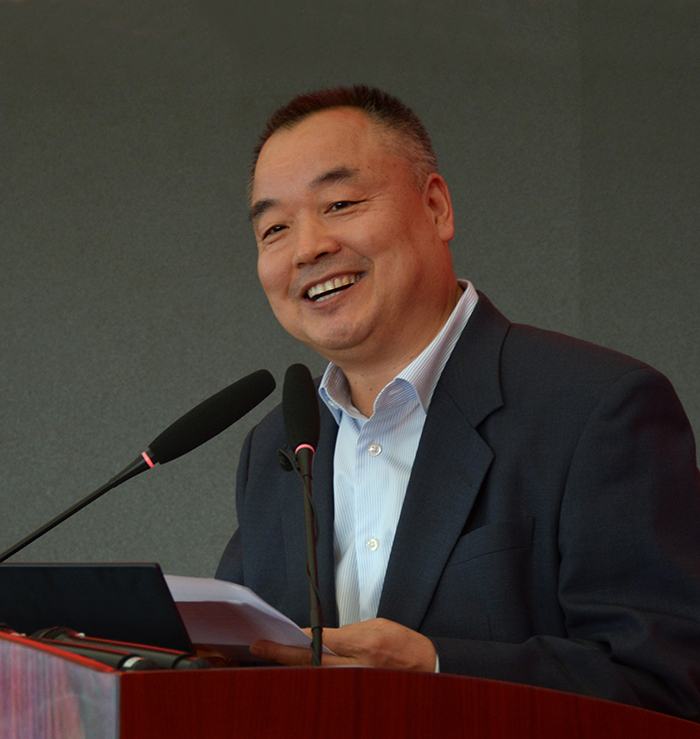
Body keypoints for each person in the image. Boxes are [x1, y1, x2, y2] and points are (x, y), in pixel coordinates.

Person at [216, 85, 700, 719]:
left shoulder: (599, 408)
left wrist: (437, 670)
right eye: (274, 229)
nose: (307, 248)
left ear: (436, 207)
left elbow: (666, 687)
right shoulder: (280, 445)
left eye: (340, 204)